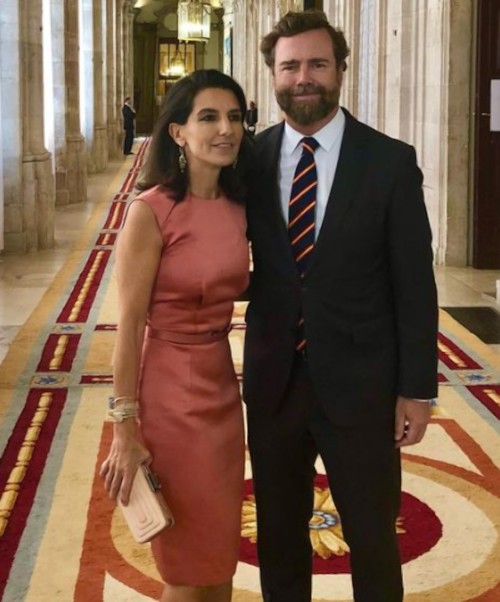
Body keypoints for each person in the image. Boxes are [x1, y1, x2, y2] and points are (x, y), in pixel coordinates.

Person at [243, 10, 438, 602]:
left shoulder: (389, 162)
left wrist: (416, 389)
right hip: (275, 382)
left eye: (317, 64)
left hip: (364, 385)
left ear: (341, 71)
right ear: (273, 76)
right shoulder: (249, 161)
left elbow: (414, 284)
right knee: (278, 536)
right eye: (290, 66)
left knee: (373, 536)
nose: (303, 78)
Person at [100, 69, 250, 602]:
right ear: (178, 132)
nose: (225, 129)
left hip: (222, 393)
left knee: (219, 557)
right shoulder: (151, 211)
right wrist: (124, 428)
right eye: (208, 117)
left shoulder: (239, 206)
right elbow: (129, 326)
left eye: (234, 117)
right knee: (186, 569)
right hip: (169, 397)